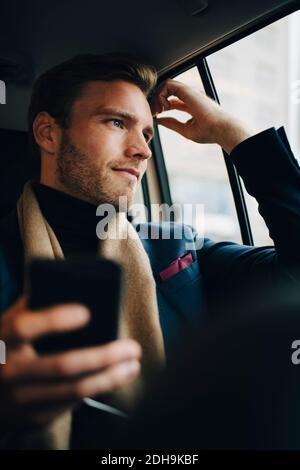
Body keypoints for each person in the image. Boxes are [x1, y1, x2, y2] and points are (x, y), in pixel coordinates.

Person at [0, 53, 299, 449]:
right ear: (48, 133)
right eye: (117, 122)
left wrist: (233, 134)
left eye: (147, 134)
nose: (142, 151)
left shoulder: (177, 245)